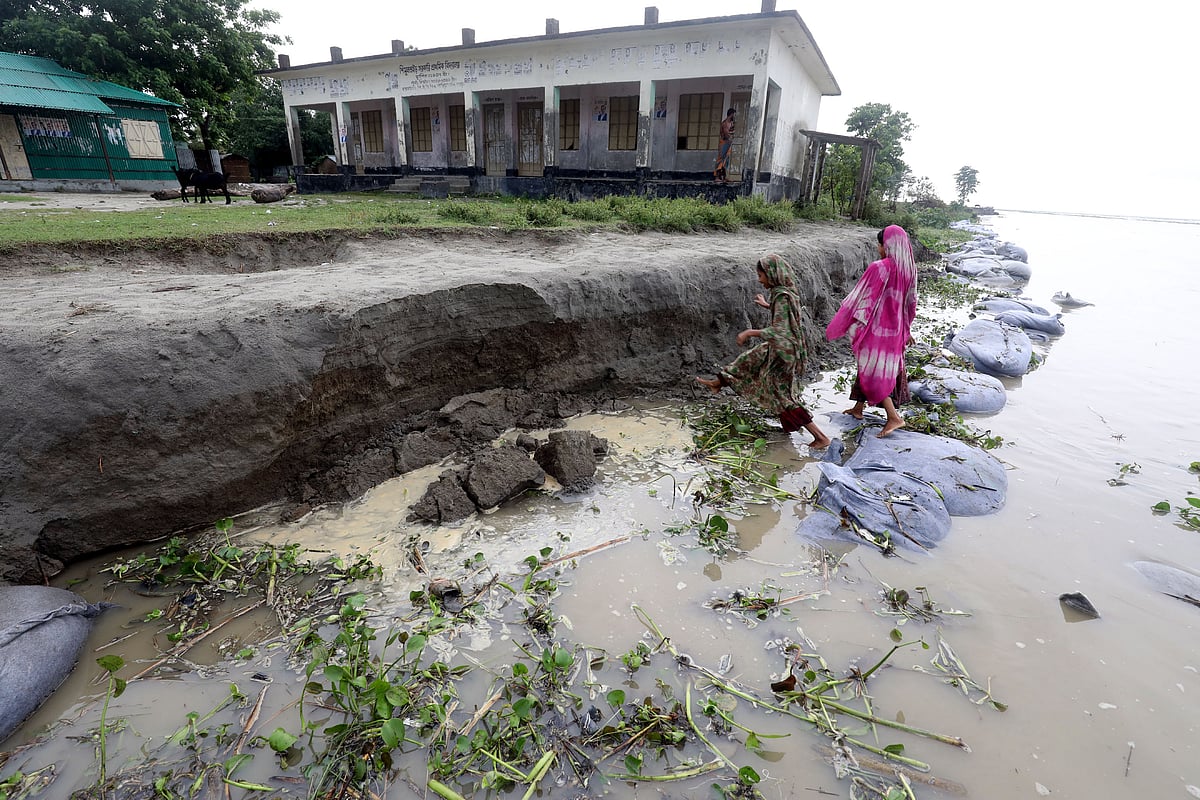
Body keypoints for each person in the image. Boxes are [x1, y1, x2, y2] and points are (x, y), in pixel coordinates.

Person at [697, 254, 831, 449]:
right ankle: (717, 383)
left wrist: (750, 332)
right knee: (748, 359)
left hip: (783, 352)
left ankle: (820, 437)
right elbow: (786, 315)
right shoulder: (783, 292)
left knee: (782, 396)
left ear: (772, 274)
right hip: (781, 347)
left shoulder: (783, 296)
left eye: (761, 275)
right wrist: (767, 305)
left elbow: (780, 330)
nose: (759, 280)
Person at [825, 225, 919, 438]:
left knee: (873, 372)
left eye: (880, 244)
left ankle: (893, 417)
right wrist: (906, 329)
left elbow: (862, 298)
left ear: (887, 245)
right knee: (873, 368)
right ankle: (858, 408)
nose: (878, 248)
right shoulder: (910, 270)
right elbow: (910, 304)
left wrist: (853, 322)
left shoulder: (880, 268)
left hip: (876, 330)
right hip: (895, 331)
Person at [713, 107, 736, 183]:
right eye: (734, 114)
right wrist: (731, 134)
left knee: (726, 160)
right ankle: (717, 176)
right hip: (724, 142)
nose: (734, 116)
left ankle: (724, 177)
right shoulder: (725, 123)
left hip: (728, 143)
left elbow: (731, 132)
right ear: (731, 114)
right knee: (720, 159)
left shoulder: (731, 123)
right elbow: (726, 134)